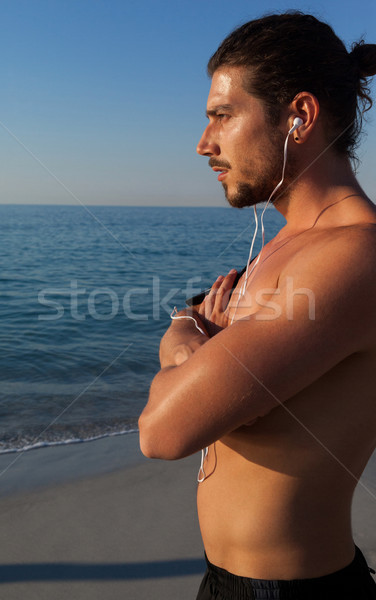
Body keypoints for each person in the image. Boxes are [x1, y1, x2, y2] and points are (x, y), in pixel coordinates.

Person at [139, 12, 376, 599]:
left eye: (222, 116)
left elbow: (163, 432)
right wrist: (190, 335)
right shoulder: (290, 243)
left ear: (299, 115)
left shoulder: (354, 256)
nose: (203, 144)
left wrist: (185, 342)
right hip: (227, 582)